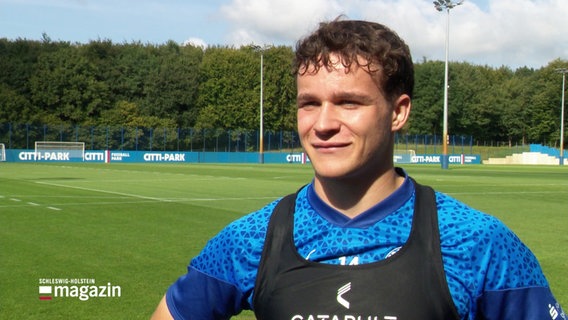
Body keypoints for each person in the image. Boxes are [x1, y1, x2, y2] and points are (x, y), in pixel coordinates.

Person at [151, 18, 565, 320]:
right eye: (309, 103)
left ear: (398, 112)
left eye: (349, 102)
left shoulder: (477, 241)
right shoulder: (252, 238)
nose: (324, 123)